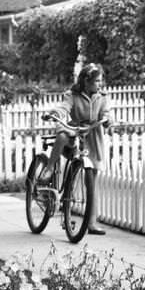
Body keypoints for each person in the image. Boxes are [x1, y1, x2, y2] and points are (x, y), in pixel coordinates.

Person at [49, 61, 112, 234]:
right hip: (75, 130)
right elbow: (64, 107)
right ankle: (48, 169)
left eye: (101, 81)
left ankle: (91, 223)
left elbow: (106, 113)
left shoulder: (103, 97)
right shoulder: (72, 95)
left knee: (91, 182)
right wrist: (56, 113)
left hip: (92, 137)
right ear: (86, 81)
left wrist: (107, 120)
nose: (100, 84)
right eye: (97, 81)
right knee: (62, 136)